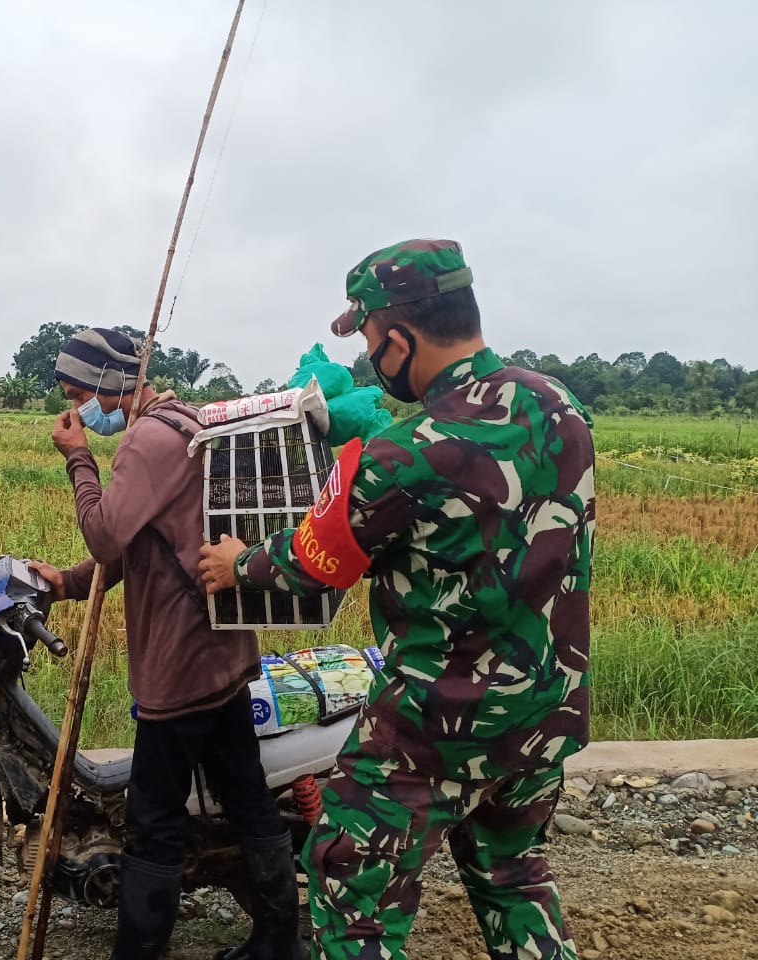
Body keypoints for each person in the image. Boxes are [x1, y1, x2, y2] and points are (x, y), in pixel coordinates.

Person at [199, 239, 595, 960]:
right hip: (545, 709)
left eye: (375, 344)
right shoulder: (559, 405)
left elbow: (312, 565)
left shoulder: (406, 451)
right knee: (514, 875)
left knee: (350, 882)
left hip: (435, 724)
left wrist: (239, 562)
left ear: (402, 339)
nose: (374, 363)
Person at [29, 328, 303, 960]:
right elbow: (148, 541)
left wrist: (79, 458)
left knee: (154, 819)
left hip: (179, 662)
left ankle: (140, 951)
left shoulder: (147, 439)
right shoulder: (181, 421)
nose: (73, 412)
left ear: (108, 384)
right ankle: (278, 941)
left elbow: (105, 536)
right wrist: (70, 583)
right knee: (245, 796)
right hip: (220, 652)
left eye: (77, 394)